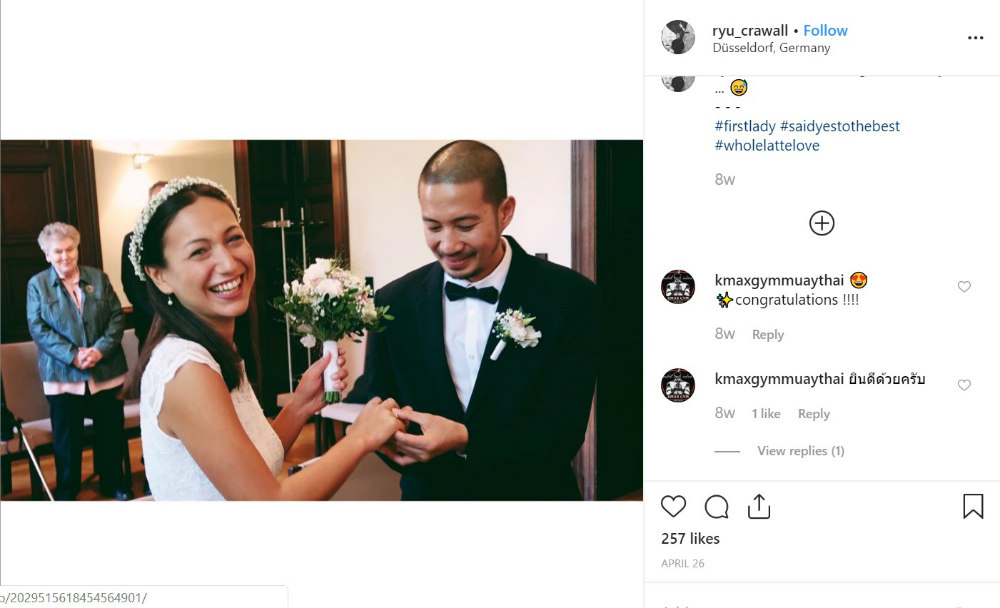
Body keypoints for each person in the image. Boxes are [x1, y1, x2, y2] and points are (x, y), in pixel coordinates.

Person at [122, 176, 404, 500]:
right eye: (200, 251)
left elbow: (252, 465)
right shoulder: (187, 370)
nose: (228, 263)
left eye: (233, 238)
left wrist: (299, 405)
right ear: (160, 276)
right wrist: (360, 437)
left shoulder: (214, 347)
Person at [357, 141, 599, 500]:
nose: (448, 244)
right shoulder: (395, 302)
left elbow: (562, 431)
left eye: (465, 225)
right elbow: (379, 397)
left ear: (505, 212)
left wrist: (466, 439)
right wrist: (386, 441)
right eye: (433, 227)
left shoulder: (570, 297)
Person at [27, 222, 131, 500]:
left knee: (110, 432)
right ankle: (67, 489)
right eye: (57, 251)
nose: (65, 256)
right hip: (62, 375)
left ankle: (113, 482)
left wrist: (99, 350)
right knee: (67, 439)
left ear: (77, 248)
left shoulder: (98, 279)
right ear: (47, 255)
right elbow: (38, 328)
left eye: (70, 249)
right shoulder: (37, 285)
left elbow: (116, 317)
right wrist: (73, 355)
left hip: (105, 369)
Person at [121, 181, 167, 351]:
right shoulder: (132, 240)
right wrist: (163, 316)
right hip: (150, 323)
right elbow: (132, 288)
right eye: (157, 199)